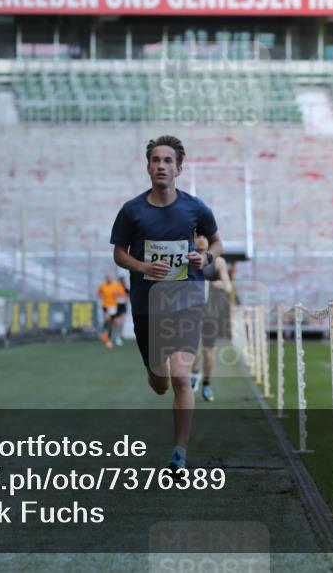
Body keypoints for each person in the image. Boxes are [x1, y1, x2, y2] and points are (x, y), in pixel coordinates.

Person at [110, 135, 222, 471]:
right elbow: (118, 254)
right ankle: (156, 373)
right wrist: (144, 266)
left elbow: (216, 243)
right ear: (148, 167)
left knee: (180, 375)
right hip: (147, 306)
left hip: (187, 298)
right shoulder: (132, 210)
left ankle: (179, 453)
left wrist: (204, 257)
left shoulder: (195, 207)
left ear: (179, 168)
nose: (161, 166)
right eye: (156, 160)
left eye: (168, 161)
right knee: (159, 383)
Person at [190, 234, 232, 402]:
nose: (201, 239)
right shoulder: (187, 258)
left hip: (211, 313)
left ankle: (207, 383)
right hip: (191, 311)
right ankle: (194, 374)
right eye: (197, 236)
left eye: (204, 236)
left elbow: (229, 286)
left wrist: (221, 284)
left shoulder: (218, 262)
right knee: (192, 347)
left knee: (209, 350)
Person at [96, 272, 122, 349]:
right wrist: (102, 297)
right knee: (107, 319)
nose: (108, 278)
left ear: (112, 277)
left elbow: (121, 294)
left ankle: (111, 337)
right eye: (107, 277)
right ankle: (105, 335)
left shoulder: (116, 285)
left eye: (109, 277)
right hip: (106, 306)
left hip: (114, 306)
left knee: (114, 322)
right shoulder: (102, 285)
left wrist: (116, 293)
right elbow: (99, 293)